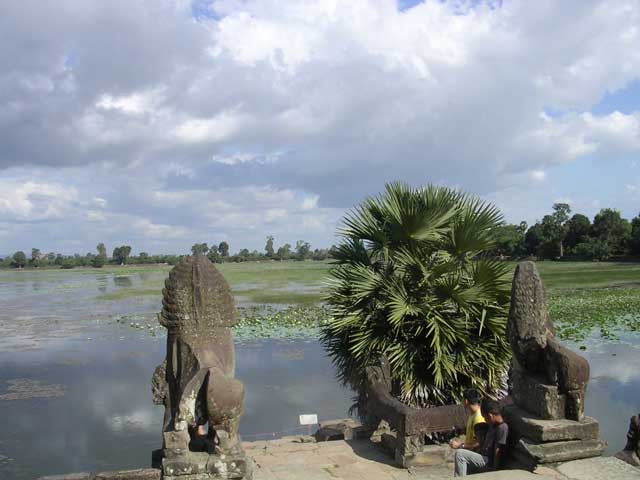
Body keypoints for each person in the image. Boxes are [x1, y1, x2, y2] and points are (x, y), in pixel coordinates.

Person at [453, 400, 509, 477]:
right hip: (483, 456)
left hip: (488, 461)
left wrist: (495, 472)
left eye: (485, 417)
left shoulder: (502, 428)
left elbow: (497, 450)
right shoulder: (492, 425)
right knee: (466, 467)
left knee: (460, 454)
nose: (485, 420)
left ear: (490, 415)